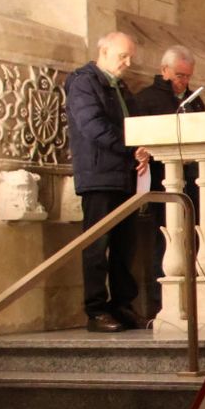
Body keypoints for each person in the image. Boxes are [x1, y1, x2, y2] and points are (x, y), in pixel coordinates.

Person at [66, 31, 149, 332]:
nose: (127, 63)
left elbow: (134, 124)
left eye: (129, 57)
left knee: (125, 246)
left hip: (125, 174)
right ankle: (96, 310)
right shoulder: (83, 83)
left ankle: (123, 305)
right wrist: (131, 148)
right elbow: (93, 127)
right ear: (103, 52)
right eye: (122, 56)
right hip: (100, 176)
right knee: (97, 245)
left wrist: (144, 149)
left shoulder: (121, 87)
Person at [131, 45, 204, 316]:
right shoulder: (147, 99)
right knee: (163, 242)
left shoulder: (194, 101)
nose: (183, 82)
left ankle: (192, 299)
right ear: (164, 71)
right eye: (179, 76)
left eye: (187, 77)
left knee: (191, 239)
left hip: (193, 181)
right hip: (162, 183)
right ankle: (161, 303)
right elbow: (138, 139)